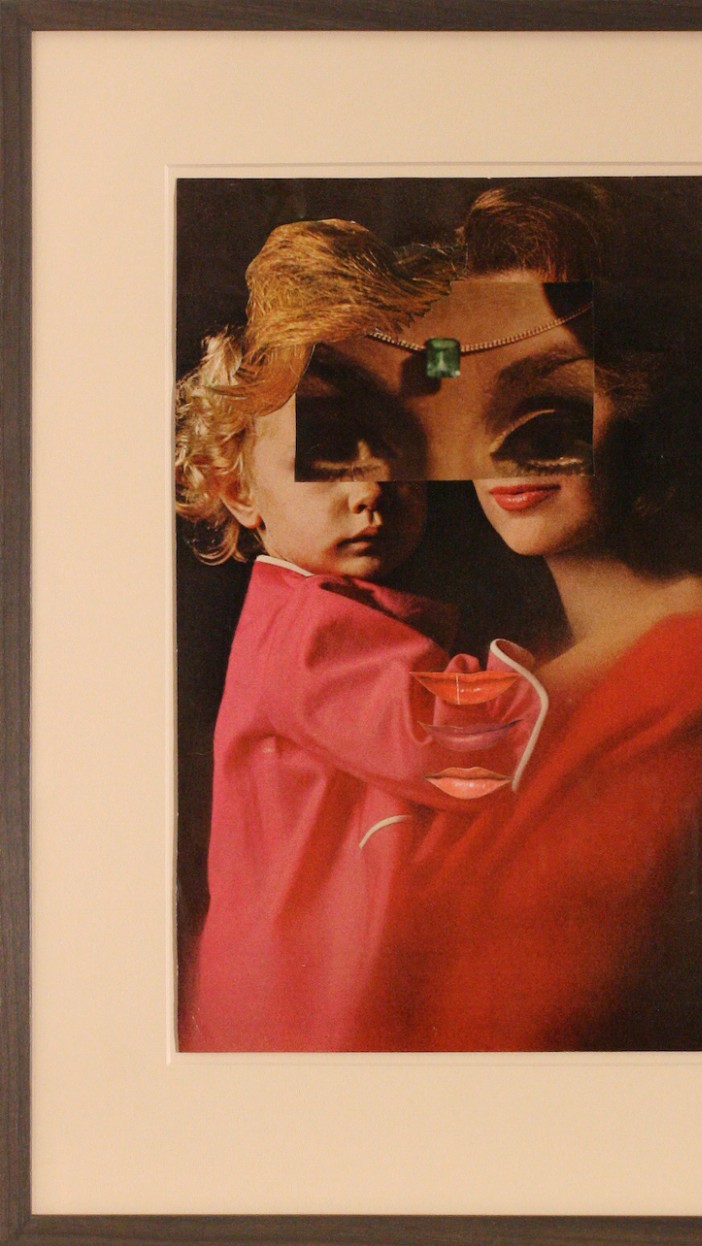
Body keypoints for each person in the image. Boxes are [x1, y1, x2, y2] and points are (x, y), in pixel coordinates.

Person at [174, 237, 546, 1051]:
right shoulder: (304, 632)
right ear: (237, 488)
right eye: (330, 454)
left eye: (401, 445)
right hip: (301, 1009)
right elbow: (466, 743)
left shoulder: (326, 615)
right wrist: (597, 653)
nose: (373, 483)